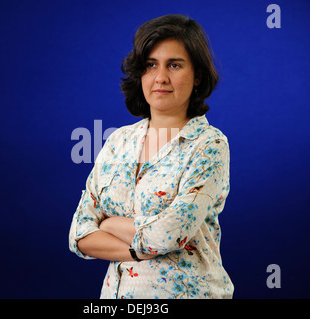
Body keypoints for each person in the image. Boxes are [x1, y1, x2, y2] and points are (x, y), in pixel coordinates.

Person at [69, 14, 233, 299]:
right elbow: (79, 235)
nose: (161, 78)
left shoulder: (209, 145)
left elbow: (169, 235)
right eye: (150, 65)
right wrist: (137, 249)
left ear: (197, 76)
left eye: (174, 65)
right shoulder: (118, 141)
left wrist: (108, 225)